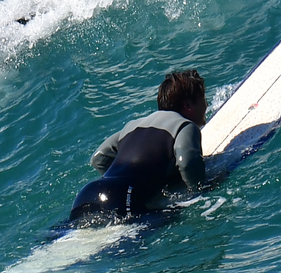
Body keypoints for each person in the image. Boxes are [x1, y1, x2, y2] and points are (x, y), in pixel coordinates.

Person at [70, 69, 208, 222]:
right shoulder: (185, 126)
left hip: (88, 194)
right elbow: (187, 163)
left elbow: (99, 158)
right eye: (203, 97)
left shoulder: (133, 125)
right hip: (123, 198)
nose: (206, 104)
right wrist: (200, 190)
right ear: (188, 104)